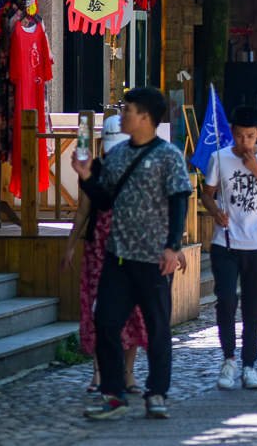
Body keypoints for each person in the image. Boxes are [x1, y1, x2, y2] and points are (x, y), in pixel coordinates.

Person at [71, 87, 191, 420]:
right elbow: (104, 199)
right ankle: (113, 394)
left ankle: (157, 394)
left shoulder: (169, 156)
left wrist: (173, 246)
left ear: (145, 117)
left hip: (153, 258)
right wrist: (85, 178)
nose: (121, 115)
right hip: (117, 255)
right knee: (106, 323)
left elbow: (180, 199)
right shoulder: (117, 155)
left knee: (156, 328)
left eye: (127, 110)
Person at [60, 115, 147, 395]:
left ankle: (128, 373)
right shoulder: (95, 167)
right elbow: (84, 209)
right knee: (99, 310)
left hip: (133, 248)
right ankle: (99, 372)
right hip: (98, 249)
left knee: (133, 311)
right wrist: (70, 244)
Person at [203, 106, 257, 388]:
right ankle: (228, 360)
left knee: (253, 308)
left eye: (250, 136)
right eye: (239, 136)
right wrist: (214, 210)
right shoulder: (219, 157)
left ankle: (249, 366)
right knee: (226, 301)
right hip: (224, 243)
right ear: (232, 133)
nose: (245, 143)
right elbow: (207, 193)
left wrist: (255, 169)